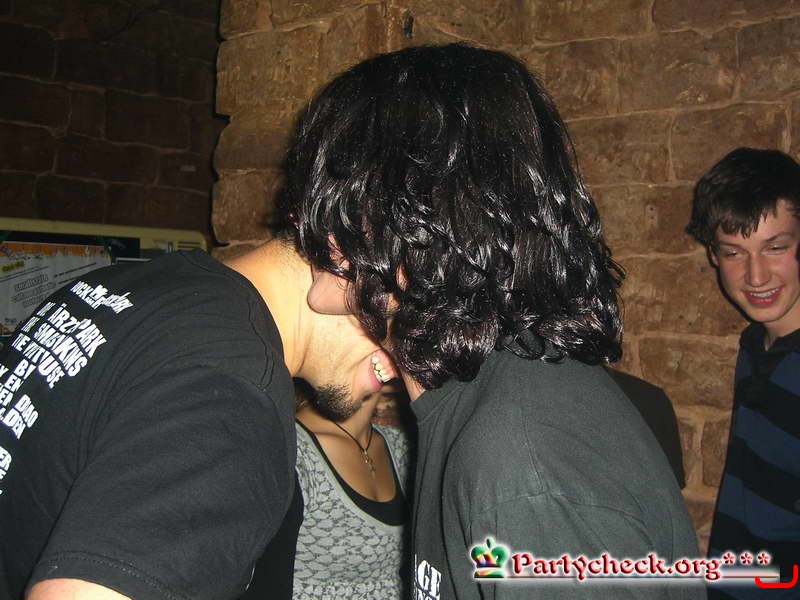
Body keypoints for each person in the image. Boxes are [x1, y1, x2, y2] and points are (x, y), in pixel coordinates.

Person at [284, 43, 703, 598]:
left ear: (413, 213)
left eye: (336, 187)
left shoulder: (526, 468)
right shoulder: (482, 403)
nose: (307, 218)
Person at [0, 235, 396, 600]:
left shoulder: (126, 284)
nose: (404, 361)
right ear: (350, 260)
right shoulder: (235, 395)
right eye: (410, 320)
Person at [687, 147, 800, 598]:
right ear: (714, 255)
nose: (756, 276)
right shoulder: (756, 345)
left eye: (776, 247)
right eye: (734, 252)